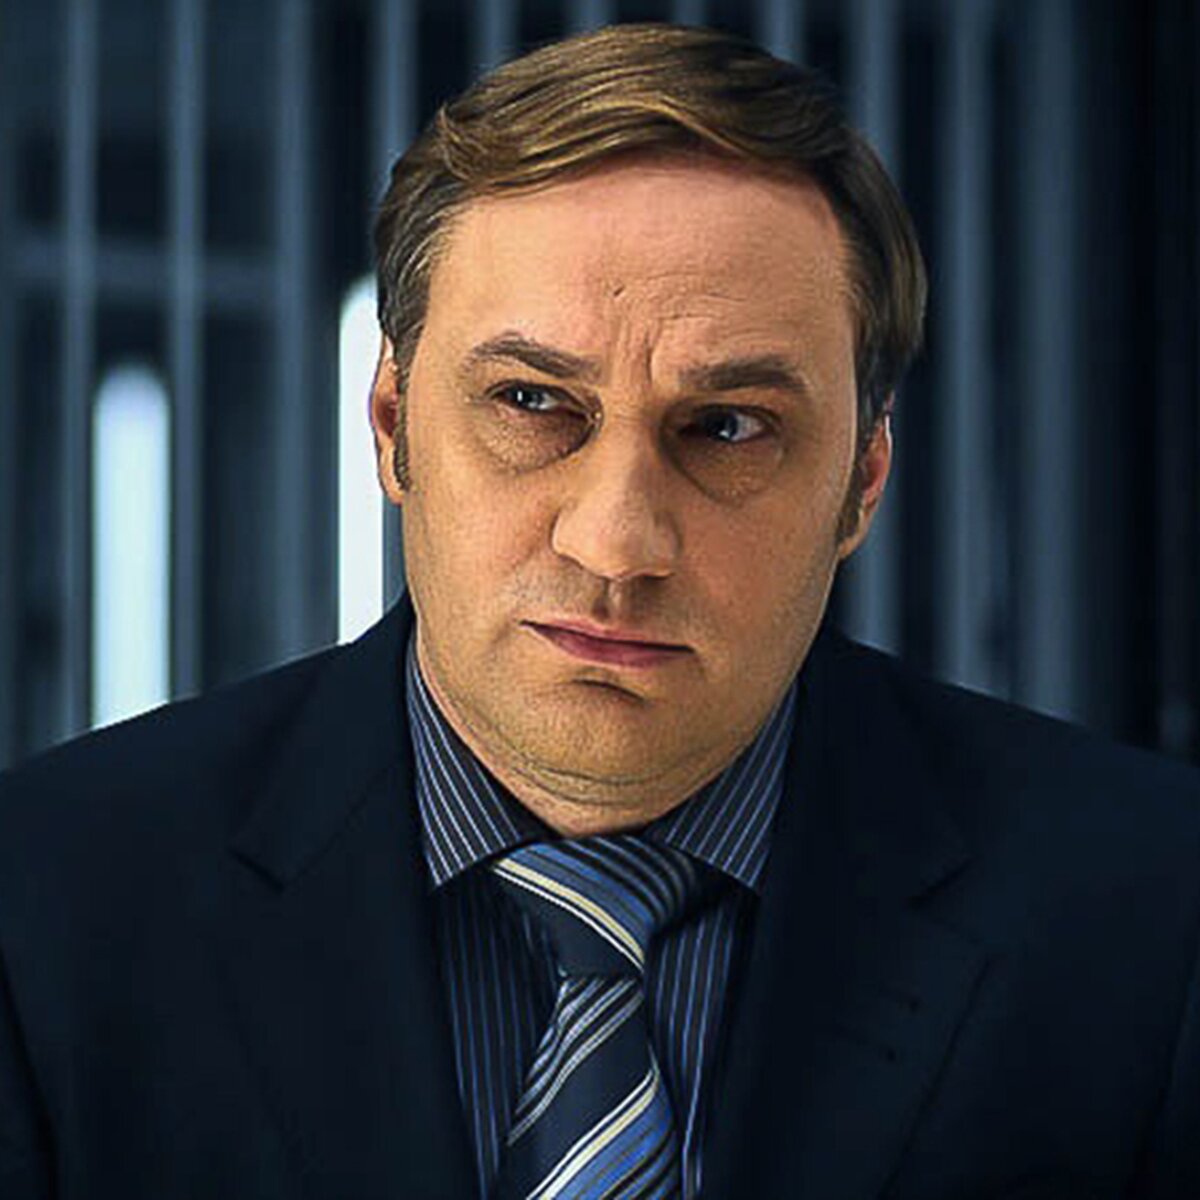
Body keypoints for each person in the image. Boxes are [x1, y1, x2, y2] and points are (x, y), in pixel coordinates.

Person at [1, 22, 1197, 1200]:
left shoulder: (1154, 919)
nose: (617, 542)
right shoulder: (46, 910)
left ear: (862, 482)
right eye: (531, 402)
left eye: (728, 426)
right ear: (393, 426)